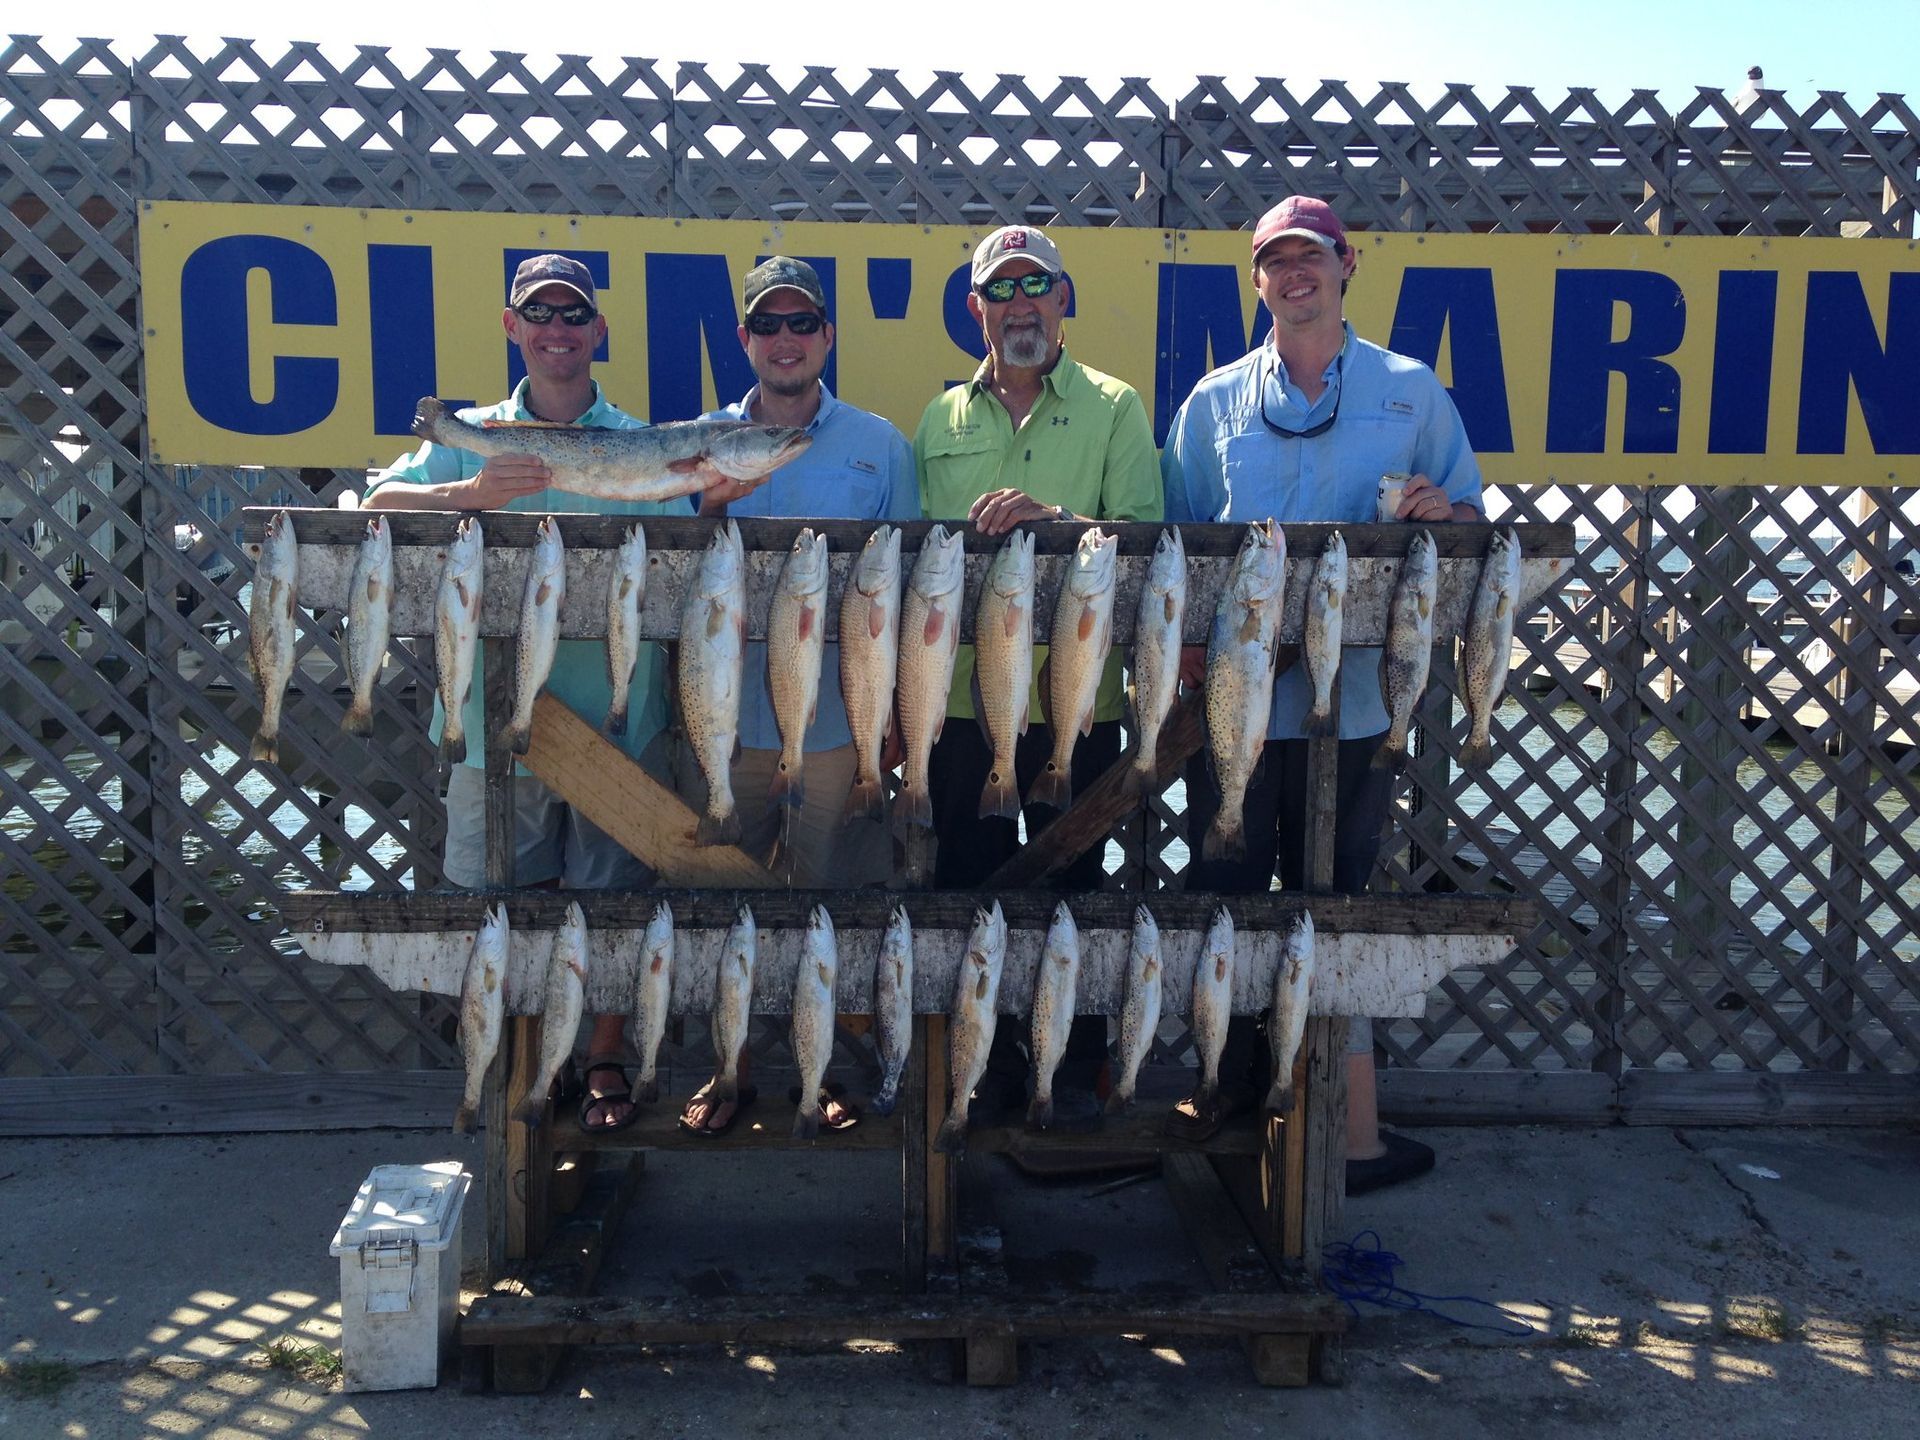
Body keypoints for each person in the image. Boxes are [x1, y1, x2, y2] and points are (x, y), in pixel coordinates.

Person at [1161, 195, 1484, 1192]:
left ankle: (1338, 1125)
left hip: (1359, 713)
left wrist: (1446, 510)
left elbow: (1473, 521)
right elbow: (1173, 549)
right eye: (1275, 260)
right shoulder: (1212, 402)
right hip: (1238, 713)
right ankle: (1228, 1090)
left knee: (1333, 906)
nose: (1294, 274)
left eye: (1312, 257)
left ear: (1348, 265)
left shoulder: (1411, 389)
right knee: (1225, 893)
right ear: (1256, 278)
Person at [365, 252, 696, 1133]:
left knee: (612, 902)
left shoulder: (637, 440)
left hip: (613, 719)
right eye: (538, 313)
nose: (556, 328)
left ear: (598, 332)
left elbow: (687, 539)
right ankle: (515, 1058)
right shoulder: (468, 436)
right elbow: (374, 504)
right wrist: (471, 495)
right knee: (497, 904)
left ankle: (601, 1060)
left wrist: (714, 491)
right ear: (514, 327)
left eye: (572, 313)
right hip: (486, 724)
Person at [914, 223, 1163, 1131]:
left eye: (1036, 287)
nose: (1020, 305)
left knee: (1070, 895)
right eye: (1001, 291)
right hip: (963, 709)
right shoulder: (936, 421)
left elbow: (1141, 541)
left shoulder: (1115, 406)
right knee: (968, 892)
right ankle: (985, 1070)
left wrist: (1058, 521)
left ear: (1064, 300)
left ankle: (1074, 1070)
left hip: (1074, 706)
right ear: (976, 309)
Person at [676, 256, 920, 1138]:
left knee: (834, 901)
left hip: (838, 725)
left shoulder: (881, 446)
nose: (785, 340)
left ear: (827, 336)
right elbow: (660, 566)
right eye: (767, 325)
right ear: (744, 339)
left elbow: (907, 597)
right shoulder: (697, 441)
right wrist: (706, 505)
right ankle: (730, 1067)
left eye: (801, 323)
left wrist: (890, 717)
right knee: (722, 900)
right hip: (724, 718)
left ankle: (833, 1072)